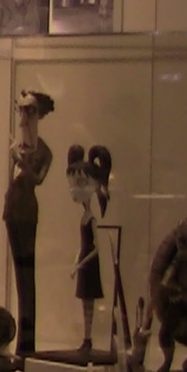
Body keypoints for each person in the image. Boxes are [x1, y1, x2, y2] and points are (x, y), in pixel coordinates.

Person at [4, 91, 55, 353]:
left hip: (27, 212)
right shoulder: (16, 147)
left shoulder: (43, 151)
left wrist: (23, 161)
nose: (24, 116)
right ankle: (23, 344)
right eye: (22, 110)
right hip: (13, 210)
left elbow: (37, 179)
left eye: (30, 110)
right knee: (20, 274)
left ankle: (27, 344)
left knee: (27, 276)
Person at [68, 145, 113, 354]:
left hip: (89, 265)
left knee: (89, 304)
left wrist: (80, 264)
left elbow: (96, 249)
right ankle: (87, 338)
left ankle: (88, 338)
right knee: (85, 304)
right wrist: (76, 263)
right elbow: (83, 245)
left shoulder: (92, 219)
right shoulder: (84, 217)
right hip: (84, 263)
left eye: (80, 184)